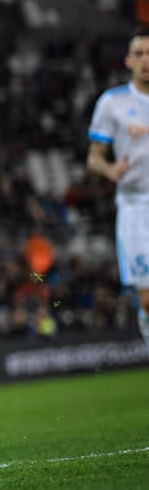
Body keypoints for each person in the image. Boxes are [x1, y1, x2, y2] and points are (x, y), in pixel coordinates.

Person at [87, 28, 149, 346]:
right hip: (135, 206)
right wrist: (110, 170)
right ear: (128, 61)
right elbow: (93, 157)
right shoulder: (112, 103)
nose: (145, 60)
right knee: (148, 298)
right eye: (139, 54)